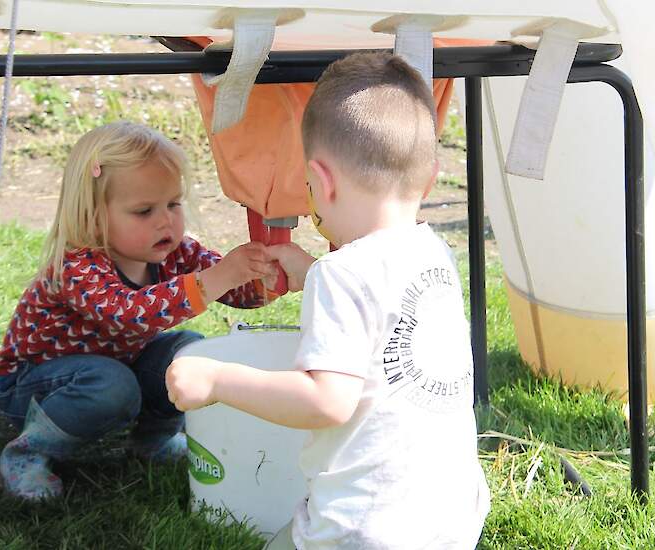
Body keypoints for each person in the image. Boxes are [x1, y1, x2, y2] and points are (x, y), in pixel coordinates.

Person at [166, 52, 490, 549]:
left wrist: (216, 379)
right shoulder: (432, 253)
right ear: (428, 178)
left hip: (364, 527)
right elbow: (383, 316)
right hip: (450, 517)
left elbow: (327, 400)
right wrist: (312, 272)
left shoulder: (341, 275)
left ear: (322, 181)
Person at [0, 121, 279, 501]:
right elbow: (129, 313)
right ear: (93, 215)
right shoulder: (76, 265)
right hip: (32, 383)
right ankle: (29, 452)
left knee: (189, 352)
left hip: (114, 370)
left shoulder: (176, 252)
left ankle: (153, 441)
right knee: (110, 384)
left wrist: (268, 278)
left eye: (173, 203)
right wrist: (218, 276)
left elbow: (237, 292)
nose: (165, 220)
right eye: (143, 210)